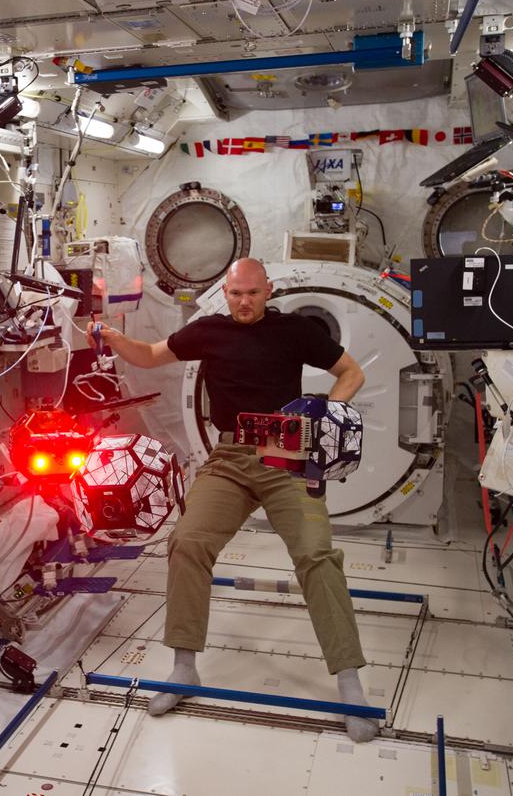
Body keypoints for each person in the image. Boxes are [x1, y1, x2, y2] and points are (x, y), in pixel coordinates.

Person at [92, 257, 377, 743]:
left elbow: (351, 372)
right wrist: (114, 338)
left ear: (269, 290)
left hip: (284, 452)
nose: (244, 302)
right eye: (235, 294)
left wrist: (326, 412)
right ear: (224, 292)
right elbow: (151, 354)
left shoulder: (295, 331)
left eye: (253, 293)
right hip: (229, 455)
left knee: (315, 554)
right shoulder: (208, 331)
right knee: (186, 541)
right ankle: (184, 668)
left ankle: (349, 682)